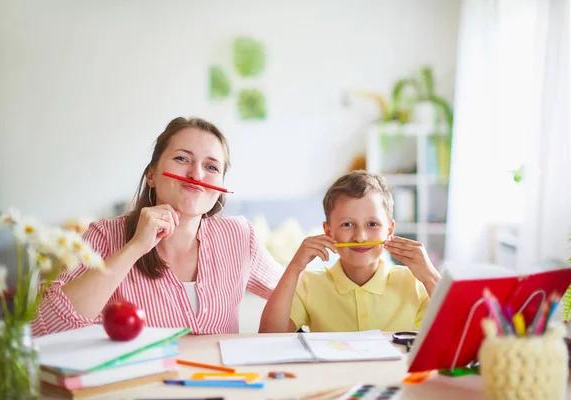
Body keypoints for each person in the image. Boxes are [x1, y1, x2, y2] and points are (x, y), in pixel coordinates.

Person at [32, 117, 283, 336]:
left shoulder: (239, 235)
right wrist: (135, 247)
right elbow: (44, 329)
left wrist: (300, 262)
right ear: (151, 175)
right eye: (182, 158)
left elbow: (299, 295)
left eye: (211, 167)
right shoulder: (104, 236)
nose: (196, 175)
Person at [259, 170, 441, 333]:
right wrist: (294, 267)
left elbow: (461, 332)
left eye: (372, 224)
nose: (360, 237)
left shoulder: (413, 283)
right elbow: (269, 335)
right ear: (329, 232)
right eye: (347, 224)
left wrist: (430, 277)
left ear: (390, 230)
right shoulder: (309, 284)